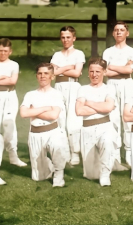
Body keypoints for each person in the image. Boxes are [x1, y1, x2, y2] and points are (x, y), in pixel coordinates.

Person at [20, 63, 69, 187]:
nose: (43, 76)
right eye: (40, 73)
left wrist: (34, 111)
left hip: (52, 131)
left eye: (46, 73)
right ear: (36, 76)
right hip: (35, 133)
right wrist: (45, 108)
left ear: (52, 76)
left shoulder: (56, 94)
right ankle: (49, 166)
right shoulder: (30, 94)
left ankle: (59, 175)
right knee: (39, 177)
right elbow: (23, 113)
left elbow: (53, 115)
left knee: (57, 146)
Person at [75, 58, 122, 186]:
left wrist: (88, 103)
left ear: (104, 72)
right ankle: (105, 167)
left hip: (105, 126)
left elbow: (108, 107)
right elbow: (79, 110)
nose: (94, 74)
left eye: (97, 71)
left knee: (107, 141)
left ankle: (106, 174)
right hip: (87, 129)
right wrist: (102, 106)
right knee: (91, 175)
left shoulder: (109, 88)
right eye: (91, 71)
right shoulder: (82, 89)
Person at [0, 38, 28, 167]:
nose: (3, 53)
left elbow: (12, 81)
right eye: (1, 51)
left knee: (9, 125)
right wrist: (3, 77)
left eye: (5, 51)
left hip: (9, 96)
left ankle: (13, 156)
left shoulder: (14, 65)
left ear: (10, 51)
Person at [101, 21, 133, 165]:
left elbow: (129, 70)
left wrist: (112, 66)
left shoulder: (131, 51)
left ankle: (128, 151)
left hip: (126, 84)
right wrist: (121, 68)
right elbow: (105, 72)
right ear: (113, 33)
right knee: (113, 118)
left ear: (127, 33)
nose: (119, 32)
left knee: (127, 117)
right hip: (111, 85)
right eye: (116, 30)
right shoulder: (108, 52)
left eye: (122, 30)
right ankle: (115, 153)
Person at [51, 26, 86, 165]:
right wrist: (67, 67)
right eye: (63, 37)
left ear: (74, 38)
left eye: (68, 37)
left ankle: (75, 152)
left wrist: (59, 69)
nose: (65, 40)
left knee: (73, 120)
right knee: (60, 119)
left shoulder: (79, 54)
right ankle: (63, 152)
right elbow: (52, 73)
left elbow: (77, 73)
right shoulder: (57, 55)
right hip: (58, 87)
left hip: (73, 86)